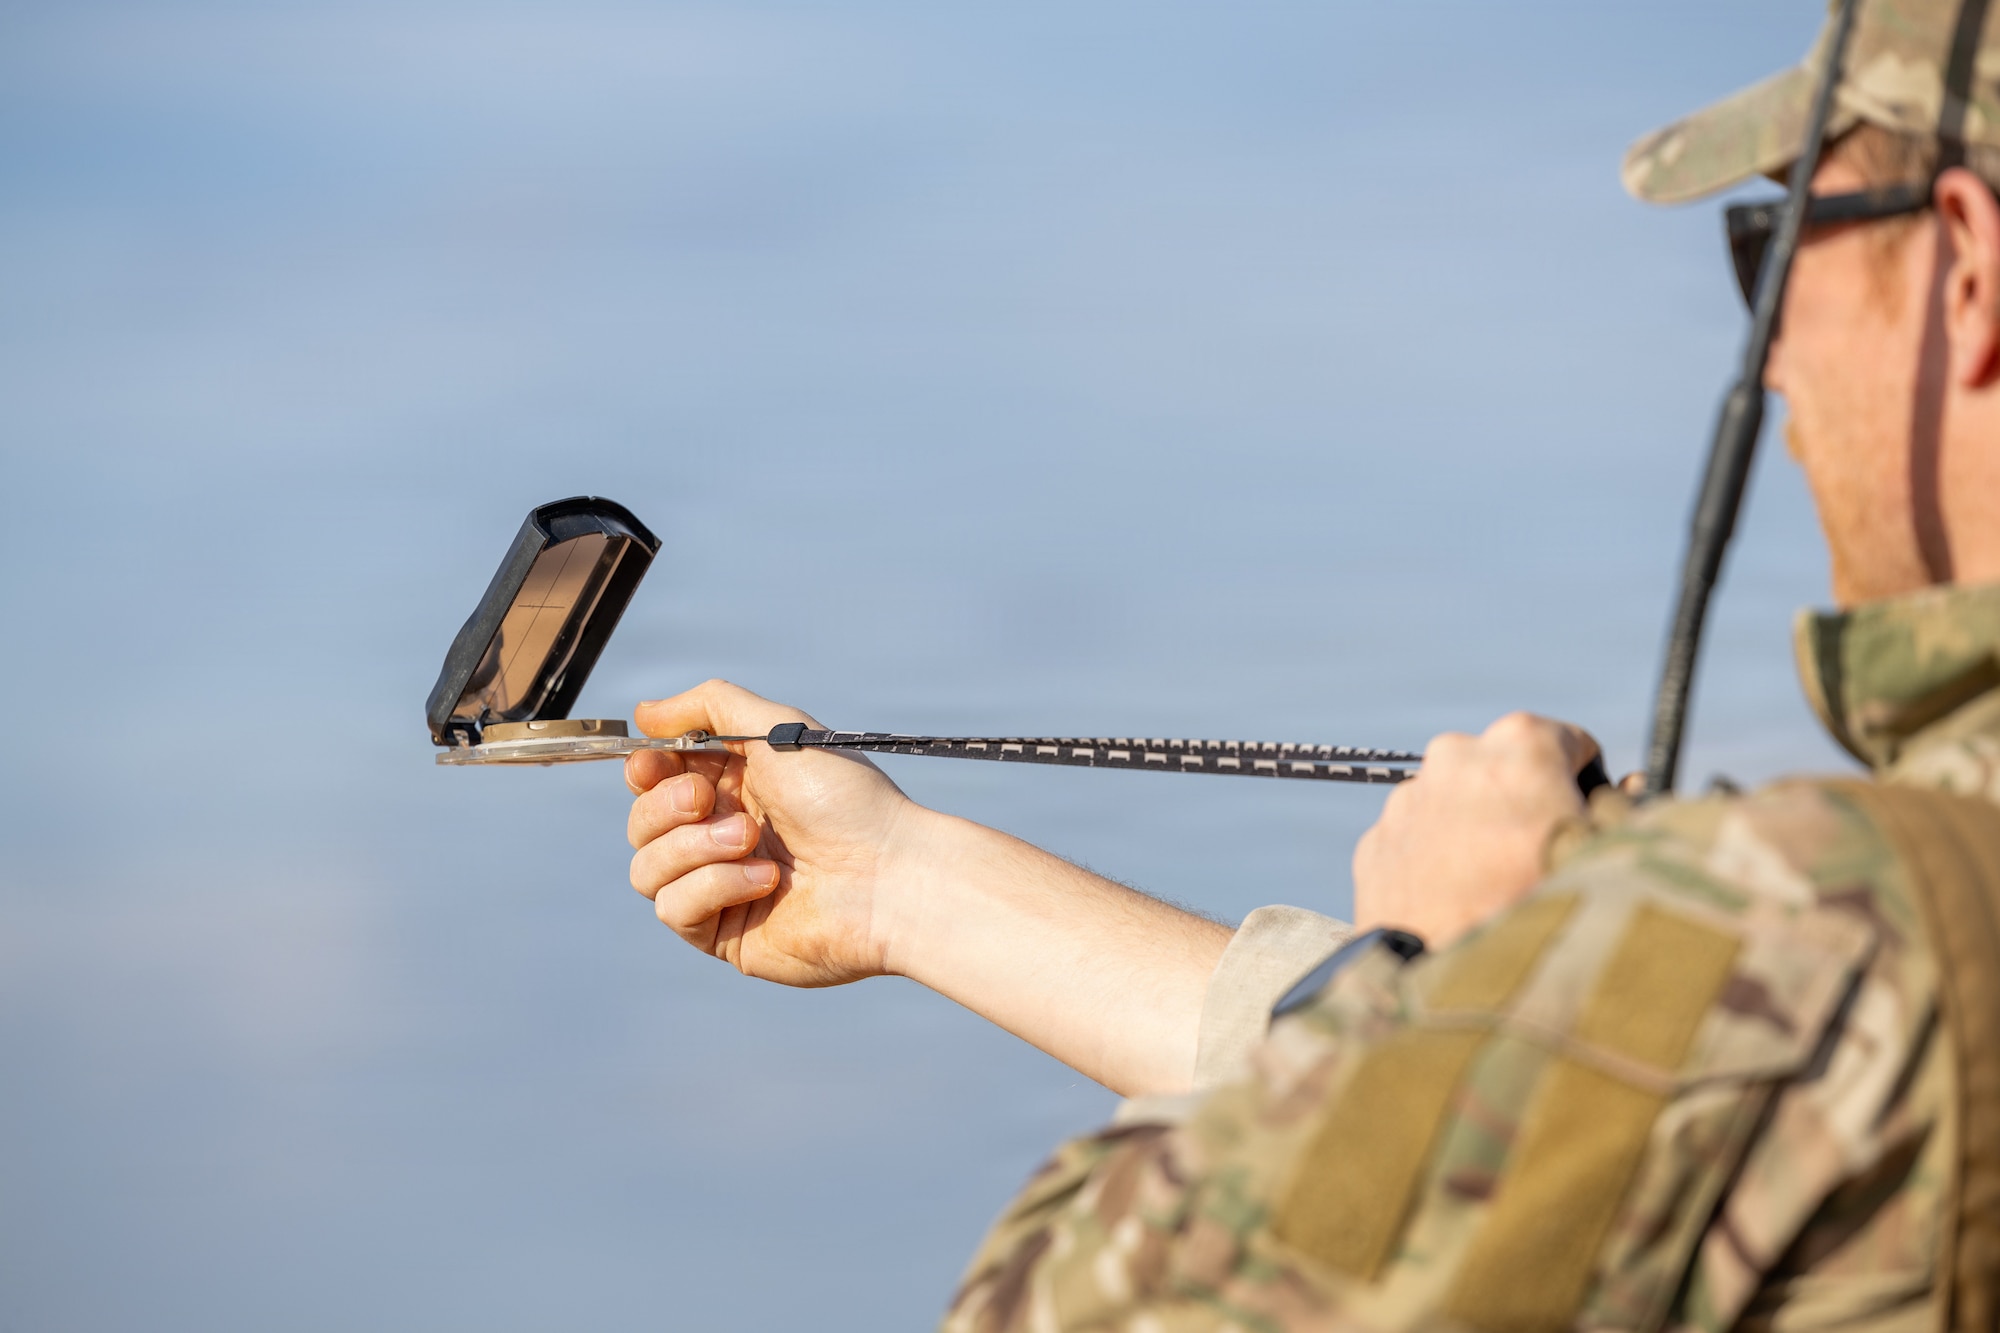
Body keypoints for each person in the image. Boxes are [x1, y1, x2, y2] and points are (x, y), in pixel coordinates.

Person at [622, 2, 2000, 1327]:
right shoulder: (1844, 928)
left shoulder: (1842, 912)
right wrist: (896, 885)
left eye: (1777, 248)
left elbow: (1082, 1307)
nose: (1768, 365)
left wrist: (1420, 996)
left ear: (1966, 263)